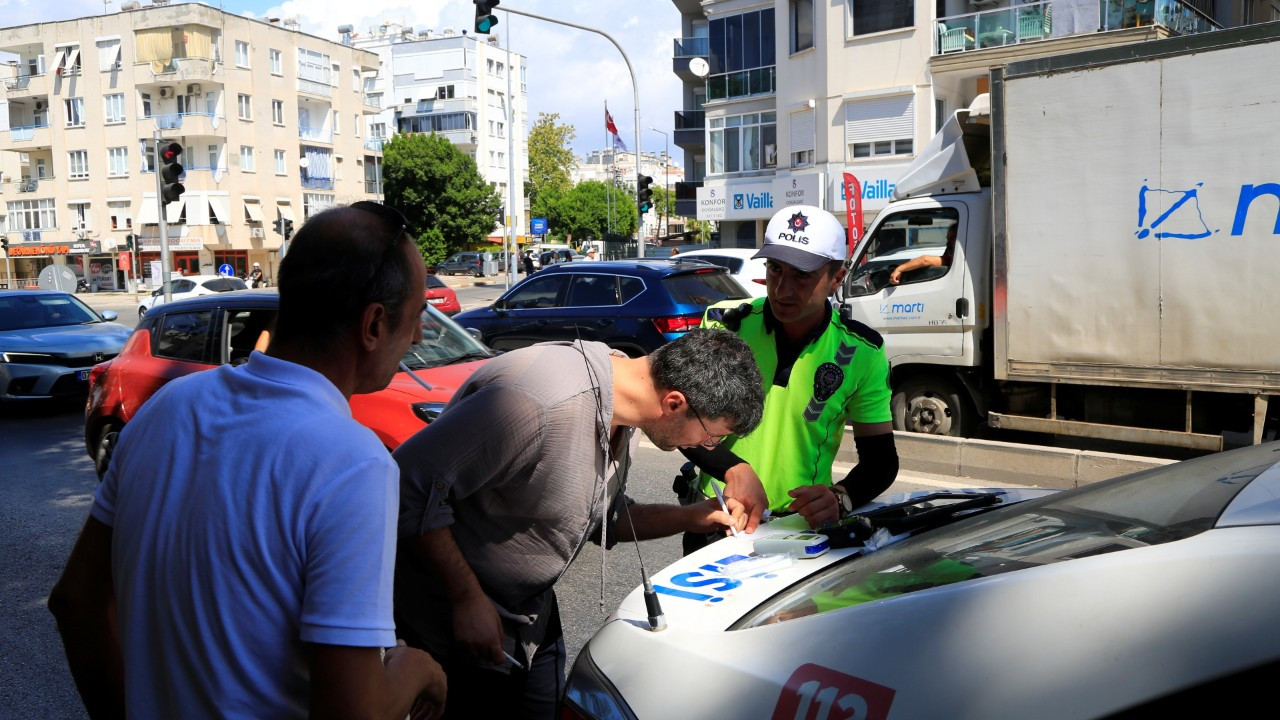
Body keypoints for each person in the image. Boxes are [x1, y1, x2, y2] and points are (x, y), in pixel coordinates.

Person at [50, 202, 447, 720]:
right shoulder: (354, 463)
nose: (417, 337)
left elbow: (76, 602)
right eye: (416, 317)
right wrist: (423, 670)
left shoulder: (166, 408)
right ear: (373, 324)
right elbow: (356, 711)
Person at [393, 329, 766, 718]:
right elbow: (408, 483)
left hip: (529, 618)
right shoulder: (540, 401)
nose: (707, 447)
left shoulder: (626, 403)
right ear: (674, 403)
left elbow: (601, 517)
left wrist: (694, 516)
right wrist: (465, 599)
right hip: (458, 621)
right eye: (710, 438)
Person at [680, 204, 899, 554]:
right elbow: (681, 422)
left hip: (802, 534)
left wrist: (841, 499)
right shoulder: (725, 326)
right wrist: (733, 469)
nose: (782, 289)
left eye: (802, 275)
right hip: (718, 521)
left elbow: (880, 461)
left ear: (836, 278)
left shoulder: (862, 352)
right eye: (775, 269)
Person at [889, 223, 957, 285]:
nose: (948, 242)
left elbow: (925, 260)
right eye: (948, 239)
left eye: (952, 238)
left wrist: (899, 270)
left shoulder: (954, 258)